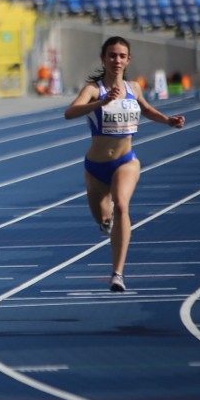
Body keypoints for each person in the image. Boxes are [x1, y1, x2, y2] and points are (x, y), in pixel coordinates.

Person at [63, 36, 185, 292]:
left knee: (122, 205)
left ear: (128, 60)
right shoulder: (94, 89)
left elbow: (147, 110)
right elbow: (70, 112)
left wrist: (167, 120)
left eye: (121, 56)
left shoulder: (133, 88)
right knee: (102, 216)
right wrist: (102, 103)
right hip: (96, 168)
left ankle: (117, 273)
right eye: (111, 55)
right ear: (103, 59)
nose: (116, 60)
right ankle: (104, 221)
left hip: (126, 161)